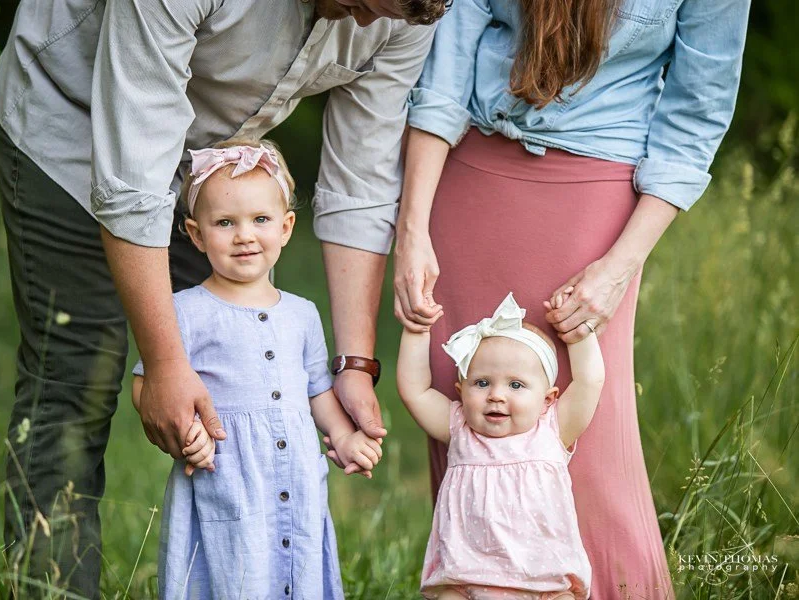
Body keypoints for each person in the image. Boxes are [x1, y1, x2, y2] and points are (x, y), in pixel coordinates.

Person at [0, 0, 446, 595]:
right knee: (77, 377)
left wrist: (353, 365)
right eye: (360, 5)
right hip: (68, 122)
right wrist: (167, 364)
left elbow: (359, 179)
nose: (361, 26)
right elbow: (133, 176)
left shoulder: (408, 12)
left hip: (206, 175)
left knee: (232, 382)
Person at [394, 0, 750, 597]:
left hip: (598, 197)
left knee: (589, 446)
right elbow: (446, 65)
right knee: (468, 426)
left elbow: (698, 108)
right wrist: (413, 227)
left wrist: (620, 266)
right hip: (469, 175)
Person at [128, 140, 382, 598]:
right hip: (225, 472)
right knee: (230, 572)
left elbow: (318, 391)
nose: (245, 235)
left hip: (295, 475)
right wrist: (189, 434)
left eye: (260, 220)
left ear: (285, 228)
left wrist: (343, 437)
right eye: (225, 223)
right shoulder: (183, 311)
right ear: (196, 233)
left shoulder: (302, 313)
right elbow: (148, 384)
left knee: (293, 566)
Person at [398, 291, 603, 600]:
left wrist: (577, 332)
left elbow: (589, 381)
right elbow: (415, 391)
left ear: (547, 399)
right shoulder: (460, 429)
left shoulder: (551, 431)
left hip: (546, 585)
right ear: (461, 392)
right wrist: (417, 330)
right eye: (481, 383)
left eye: (515, 385)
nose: (496, 394)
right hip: (464, 582)